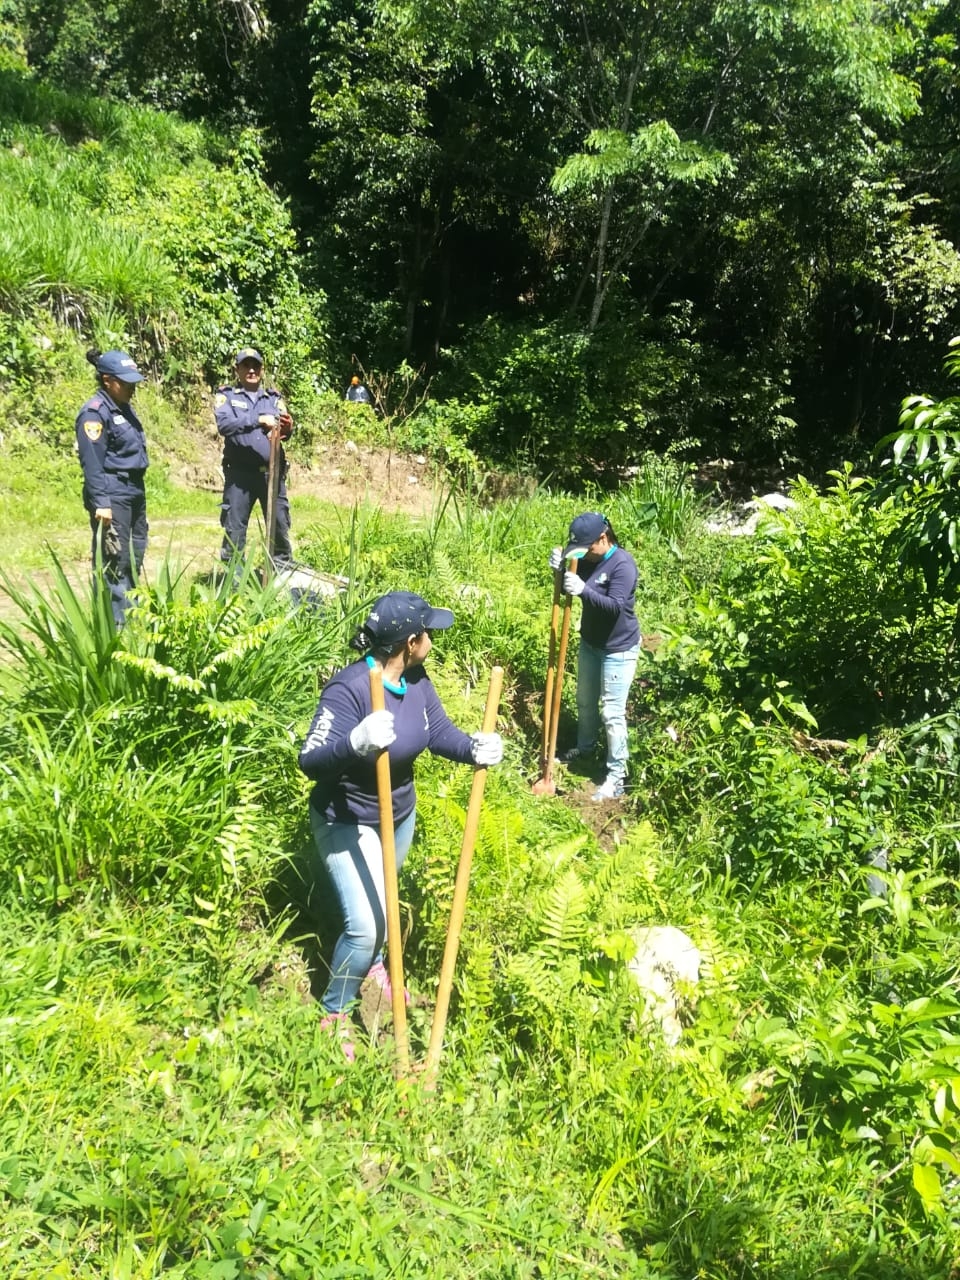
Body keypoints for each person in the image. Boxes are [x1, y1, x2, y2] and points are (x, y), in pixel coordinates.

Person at [298, 590, 503, 1058]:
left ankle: (372, 970)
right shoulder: (349, 689)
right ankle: (334, 1011)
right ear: (410, 642)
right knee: (367, 925)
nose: (432, 638)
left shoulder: (417, 680)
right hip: (347, 820)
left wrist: (474, 747)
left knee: (387, 907)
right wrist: (355, 742)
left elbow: (438, 733)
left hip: (399, 815)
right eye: (427, 632)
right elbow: (310, 759)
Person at [549, 511, 640, 801]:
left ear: (603, 538)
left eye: (586, 548)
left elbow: (614, 606)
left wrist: (583, 590)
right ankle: (585, 748)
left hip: (619, 649)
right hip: (590, 644)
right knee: (585, 701)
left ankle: (617, 775)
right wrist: (559, 572)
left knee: (612, 713)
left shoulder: (622, 565)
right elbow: (567, 584)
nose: (583, 555)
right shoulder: (586, 558)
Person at [75, 348, 149, 627]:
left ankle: (131, 616)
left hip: (133, 491)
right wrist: (101, 502)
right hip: (113, 492)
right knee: (113, 559)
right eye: (125, 382)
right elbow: (92, 462)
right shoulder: (94, 414)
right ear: (107, 380)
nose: (131, 387)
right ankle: (114, 627)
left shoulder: (123, 408)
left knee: (134, 553)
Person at [214, 347, 294, 569]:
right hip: (240, 476)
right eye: (246, 366)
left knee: (279, 528)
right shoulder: (226, 396)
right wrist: (259, 419)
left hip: (271, 474)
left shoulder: (273, 399)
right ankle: (234, 585)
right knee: (235, 530)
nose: (251, 370)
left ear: (262, 369)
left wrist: (288, 429)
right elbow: (225, 425)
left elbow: (284, 433)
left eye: (255, 366)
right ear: (237, 369)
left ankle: (281, 579)